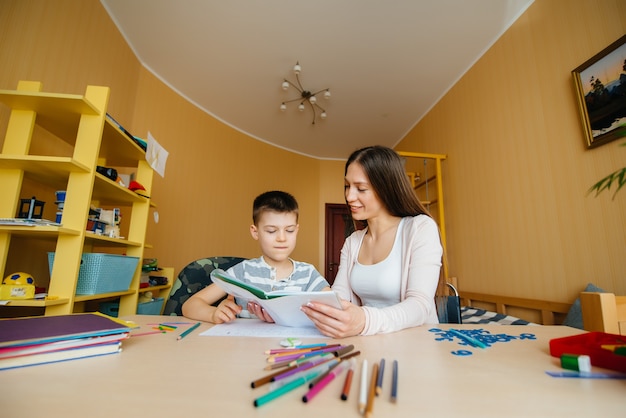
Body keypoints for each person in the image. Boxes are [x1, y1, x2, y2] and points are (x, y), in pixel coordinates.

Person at [301, 145, 443, 337]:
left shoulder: (420, 228)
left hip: (417, 345)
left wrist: (364, 320)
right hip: (369, 343)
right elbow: (340, 297)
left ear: (386, 188)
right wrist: (281, 312)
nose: (349, 196)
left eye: (361, 188)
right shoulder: (353, 242)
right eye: (347, 186)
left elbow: (420, 305)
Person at [182, 190, 330, 324]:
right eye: (272, 231)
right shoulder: (242, 272)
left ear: (297, 230)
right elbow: (190, 305)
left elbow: (334, 308)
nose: (282, 238)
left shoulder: (308, 273)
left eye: (289, 230)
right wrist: (214, 313)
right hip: (247, 350)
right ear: (255, 232)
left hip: (291, 349)